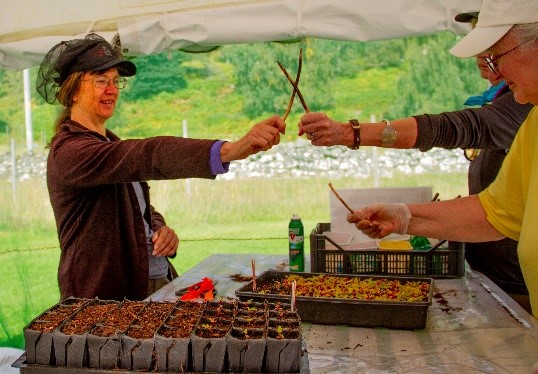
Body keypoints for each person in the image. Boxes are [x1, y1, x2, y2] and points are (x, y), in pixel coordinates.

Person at [298, 12, 533, 312]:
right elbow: (492, 213)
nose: (492, 73)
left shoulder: (522, 108)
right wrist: (404, 218)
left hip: (514, 284)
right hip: (496, 278)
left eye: (495, 57)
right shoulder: (529, 118)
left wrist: (349, 133)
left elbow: (456, 128)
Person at [38, 33, 286, 301]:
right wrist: (230, 150)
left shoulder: (108, 142)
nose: (111, 90)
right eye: (100, 81)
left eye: (114, 81)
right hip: (101, 301)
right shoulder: (71, 152)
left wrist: (159, 228)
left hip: (149, 283)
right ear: (73, 90)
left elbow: (137, 205)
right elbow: (150, 154)